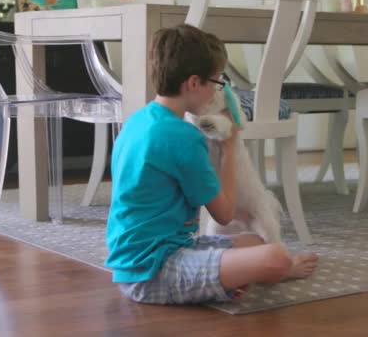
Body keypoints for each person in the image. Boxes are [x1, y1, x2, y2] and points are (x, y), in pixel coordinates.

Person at [105, 24, 318, 305]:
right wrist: (228, 147)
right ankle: (255, 274)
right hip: (154, 272)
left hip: (145, 257)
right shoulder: (183, 137)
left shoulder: (136, 121)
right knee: (275, 257)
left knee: (254, 241)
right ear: (194, 83)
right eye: (216, 82)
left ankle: (230, 276)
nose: (217, 91)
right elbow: (225, 214)